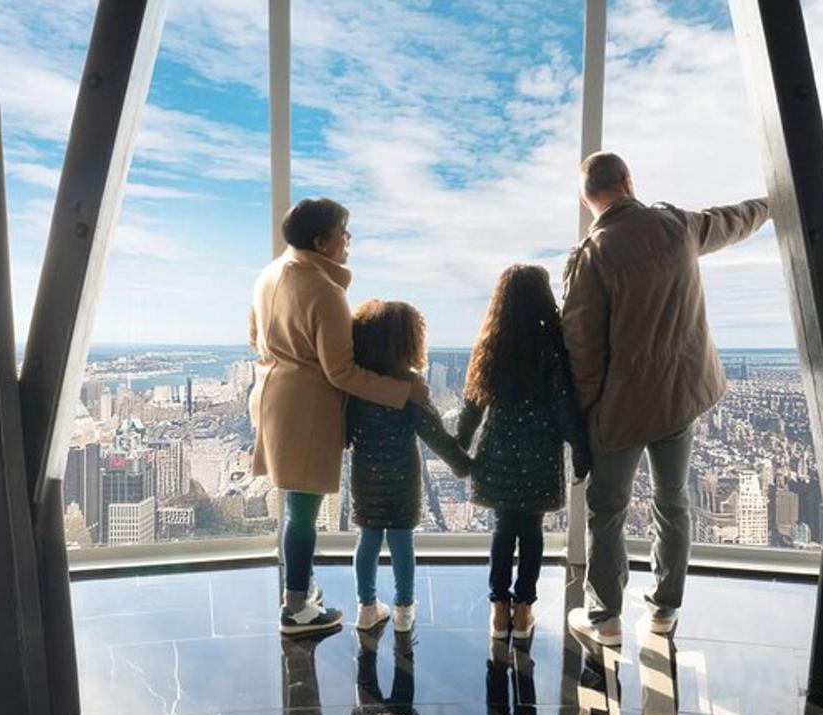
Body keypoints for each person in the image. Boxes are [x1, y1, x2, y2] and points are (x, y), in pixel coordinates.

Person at [562, 152, 770, 644]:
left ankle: (605, 618)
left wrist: (588, 413)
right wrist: (770, 204)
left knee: (607, 510)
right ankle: (663, 610)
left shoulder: (593, 255)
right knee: (672, 501)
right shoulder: (676, 226)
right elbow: (732, 221)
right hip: (680, 398)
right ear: (628, 181)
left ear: (587, 198)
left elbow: (582, 348)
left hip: (622, 407)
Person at [249, 198, 430, 636]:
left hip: (271, 396)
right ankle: (296, 609)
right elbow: (342, 372)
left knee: (296, 505)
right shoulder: (326, 292)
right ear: (321, 242)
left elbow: (254, 337)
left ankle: (302, 590)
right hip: (306, 410)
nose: (348, 240)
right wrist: (404, 391)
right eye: (342, 233)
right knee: (304, 512)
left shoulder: (269, 274)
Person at [458, 264, 590, 641]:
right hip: (539, 454)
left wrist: (460, 448)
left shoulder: (490, 344)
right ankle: (524, 607)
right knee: (530, 533)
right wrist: (581, 452)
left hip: (497, 450)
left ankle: (499, 609)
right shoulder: (550, 346)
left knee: (503, 531)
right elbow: (565, 406)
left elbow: (472, 405)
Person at [348, 299, 472, 632]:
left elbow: (343, 431)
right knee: (403, 542)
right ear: (410, 341)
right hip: (403, 476)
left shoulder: (357, 387)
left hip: (364, 475)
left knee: (368, 539)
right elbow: (436, 435)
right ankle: (404, 611)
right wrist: (464, 465)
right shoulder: (410, 387)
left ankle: (366, 606)